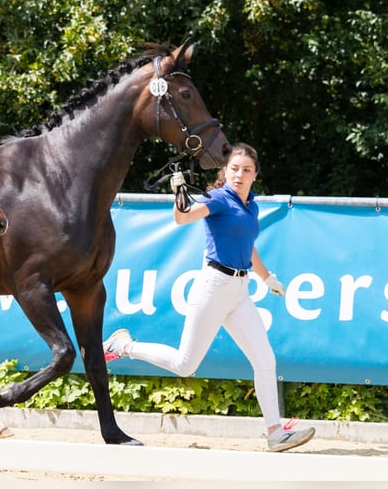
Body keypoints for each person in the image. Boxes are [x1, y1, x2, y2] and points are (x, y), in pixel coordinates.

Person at [103, 143, 315, 452]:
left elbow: (248, 246)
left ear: (255, 175)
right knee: (185, 364)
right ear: (225, 171)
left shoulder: (250, 206)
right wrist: (178, 193)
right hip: (213, 287)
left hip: (239, 291)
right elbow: (182, 217)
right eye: (234, 168)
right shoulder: (218, 199)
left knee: (265, 359)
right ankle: (124, 345)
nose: (239, 174)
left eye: (246, 170)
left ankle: (274, 432)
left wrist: (267, 277)